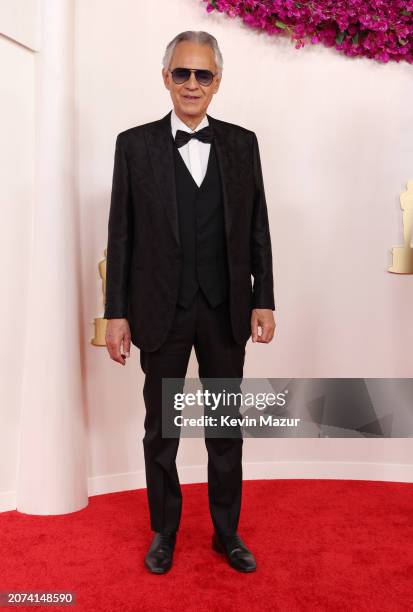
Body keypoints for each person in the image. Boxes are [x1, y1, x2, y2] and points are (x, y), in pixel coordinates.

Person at [104, 30, 276, 574]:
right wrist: (116, 312)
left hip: (226, 310)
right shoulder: (133, 146)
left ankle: (226, 532)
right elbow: (121, 235)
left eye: (204, 74)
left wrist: (263, 298)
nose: (193, 84)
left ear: (218, 81)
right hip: (160, 310)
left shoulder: (242, 144)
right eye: (183, 73)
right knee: (163, 430)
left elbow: (257, 229)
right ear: (166, 78)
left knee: (225, 426)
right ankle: (165, 531)